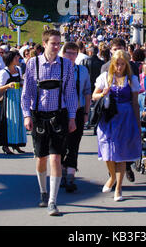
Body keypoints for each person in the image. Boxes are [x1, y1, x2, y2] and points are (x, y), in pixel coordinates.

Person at [21, 29, 78, 216]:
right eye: (53, 43)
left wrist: (72, 117)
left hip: (59, 116)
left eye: (58, 43)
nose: (57, 46)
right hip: (38, 116)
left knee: (55, 157)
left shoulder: (67, 65)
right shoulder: (33, 64)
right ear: (44, 44)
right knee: (41, 158)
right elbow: (27, 93)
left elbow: (70, 94)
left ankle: (53, 201)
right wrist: (26, 115)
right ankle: (43, 191)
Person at [92, 50, 141, 201]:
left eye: (122, 64)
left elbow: (135, 103)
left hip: (125, 117)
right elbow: (94, 95)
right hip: (109, 116)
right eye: (117, 64)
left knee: (121, 153)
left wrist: (137, 123)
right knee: (107, 149)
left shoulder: (132, 79)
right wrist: (102, 93)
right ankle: (112, 176)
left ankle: (118, 188)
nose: (119, 67)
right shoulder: (105, 77)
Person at [60, 42, 91, 192]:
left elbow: (87, 92)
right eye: (68, 53)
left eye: (74, 53)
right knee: (61, 144)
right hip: (61, 111)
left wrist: (86, 113)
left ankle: (70, 177)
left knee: (74, 144)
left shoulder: (82, 71)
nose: (71, 56)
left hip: (78, 111)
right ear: (63, 54)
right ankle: (61, 172)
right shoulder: (57, 69)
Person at [0, 50, 27, 155]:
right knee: (9, 122)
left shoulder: (18, 69)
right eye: (16, 58)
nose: (18, 59)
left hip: (18, 97)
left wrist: (22, 83)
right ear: (10, 60)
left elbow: (20, 81)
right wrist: (8, 85)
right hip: (9, 99)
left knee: (19, 120)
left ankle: (16, 143)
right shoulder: (4, 72)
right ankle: (6, 145)